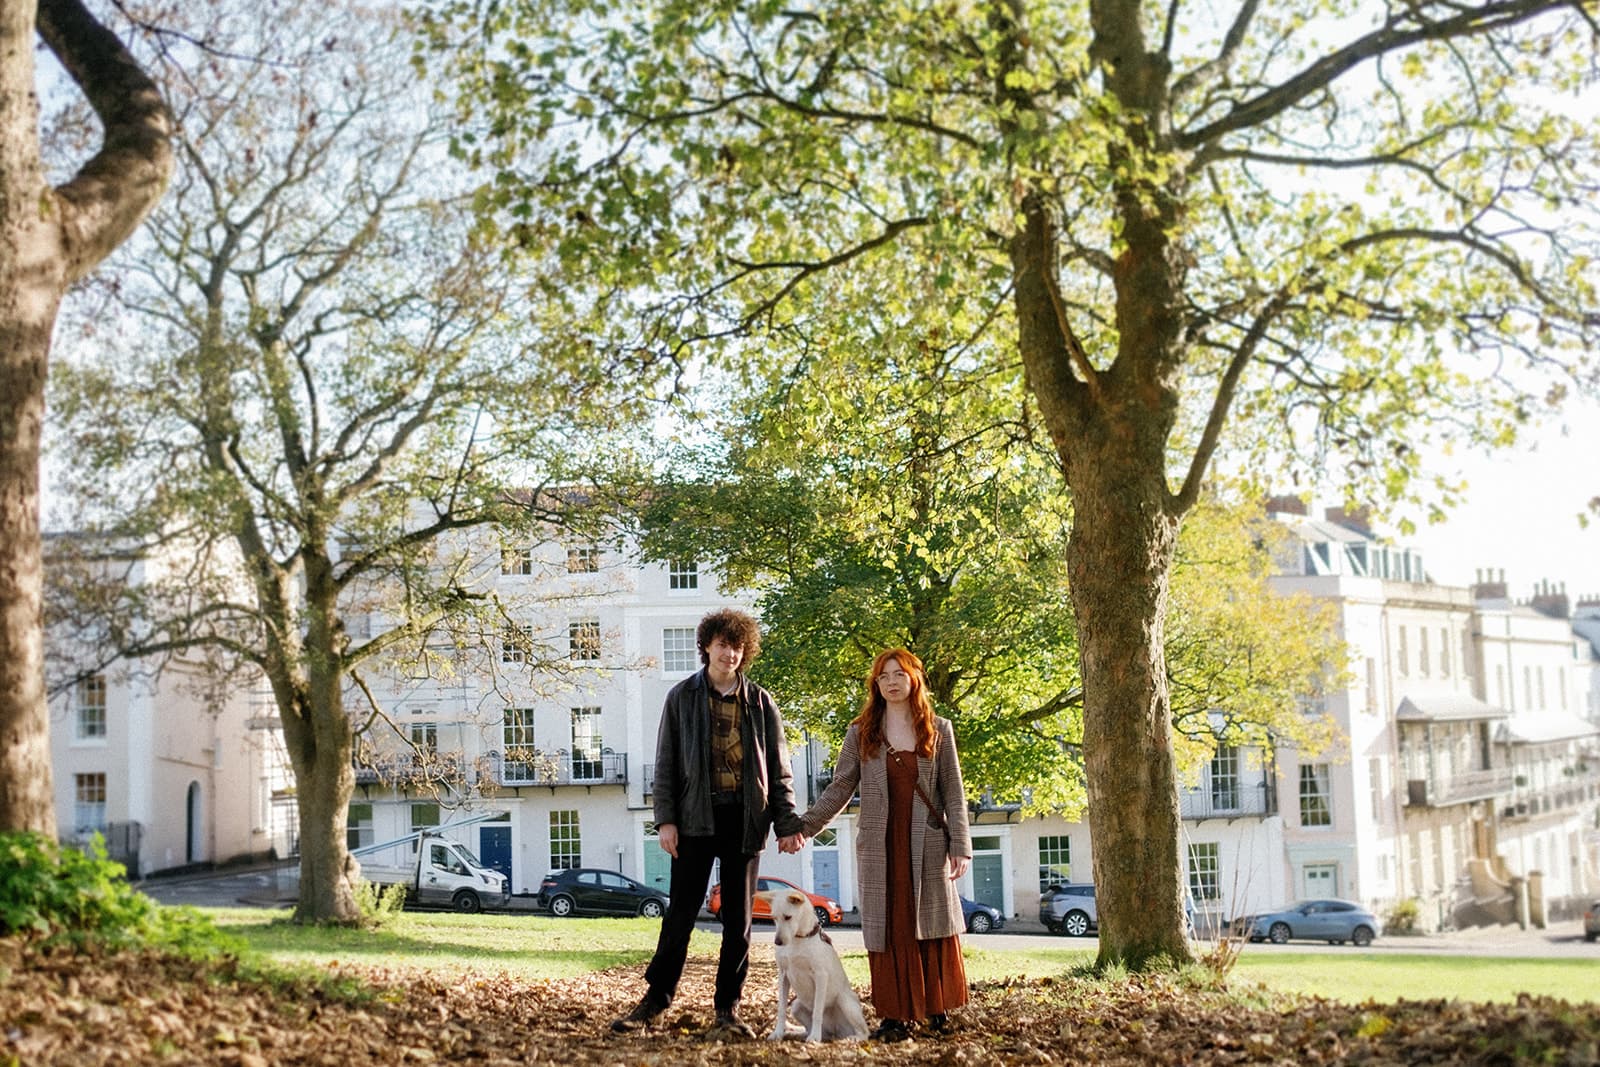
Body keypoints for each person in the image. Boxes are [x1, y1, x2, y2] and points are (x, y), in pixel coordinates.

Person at [611, 608, 805, 1039]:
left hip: (745, 821)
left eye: (737, 647)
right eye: (722, 645)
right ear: (706, 646)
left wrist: (787, 823)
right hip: (694, 818)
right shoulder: (681, 697)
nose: (729, 653)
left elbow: (779, 770)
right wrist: (665, 820)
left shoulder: (761, 702)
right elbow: (665, 766)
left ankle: (727, 1009)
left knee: (739, 922)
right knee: (679, 914)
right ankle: (656, 1000)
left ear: (744, 651)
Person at [797, 647, 972, 1042]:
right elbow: (841, 786)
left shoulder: (939, 729)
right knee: (889, 928)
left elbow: (954, 793)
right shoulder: (861, 732)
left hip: (928, 843)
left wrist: (960, 844)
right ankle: (894, 1016)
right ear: (876, 684)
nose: (892, 681)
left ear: (914, 679)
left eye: (899, 674)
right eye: (884, 676)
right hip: (881, 844)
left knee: (932, 923)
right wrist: (806, 826)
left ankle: (936, 1010)